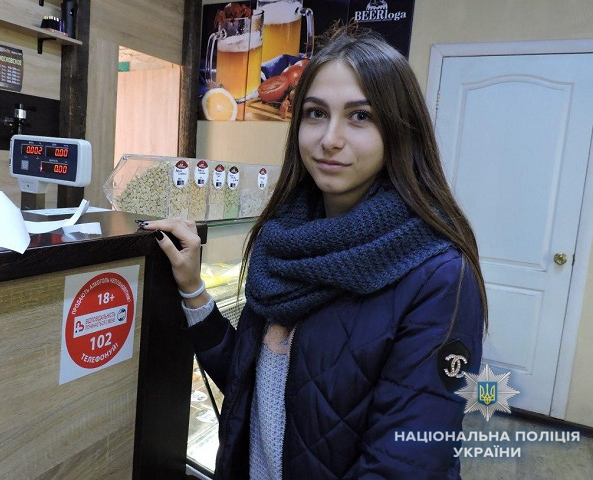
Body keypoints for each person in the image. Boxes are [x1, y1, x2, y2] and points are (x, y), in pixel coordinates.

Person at [140, 28, 487, 479]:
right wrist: (192, 287)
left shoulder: (438, 275)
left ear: (401, 130)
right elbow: (251, 388)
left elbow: (404, 464)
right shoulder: (283, 240)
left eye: (360, 116)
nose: (330, 139)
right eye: (316, 113)